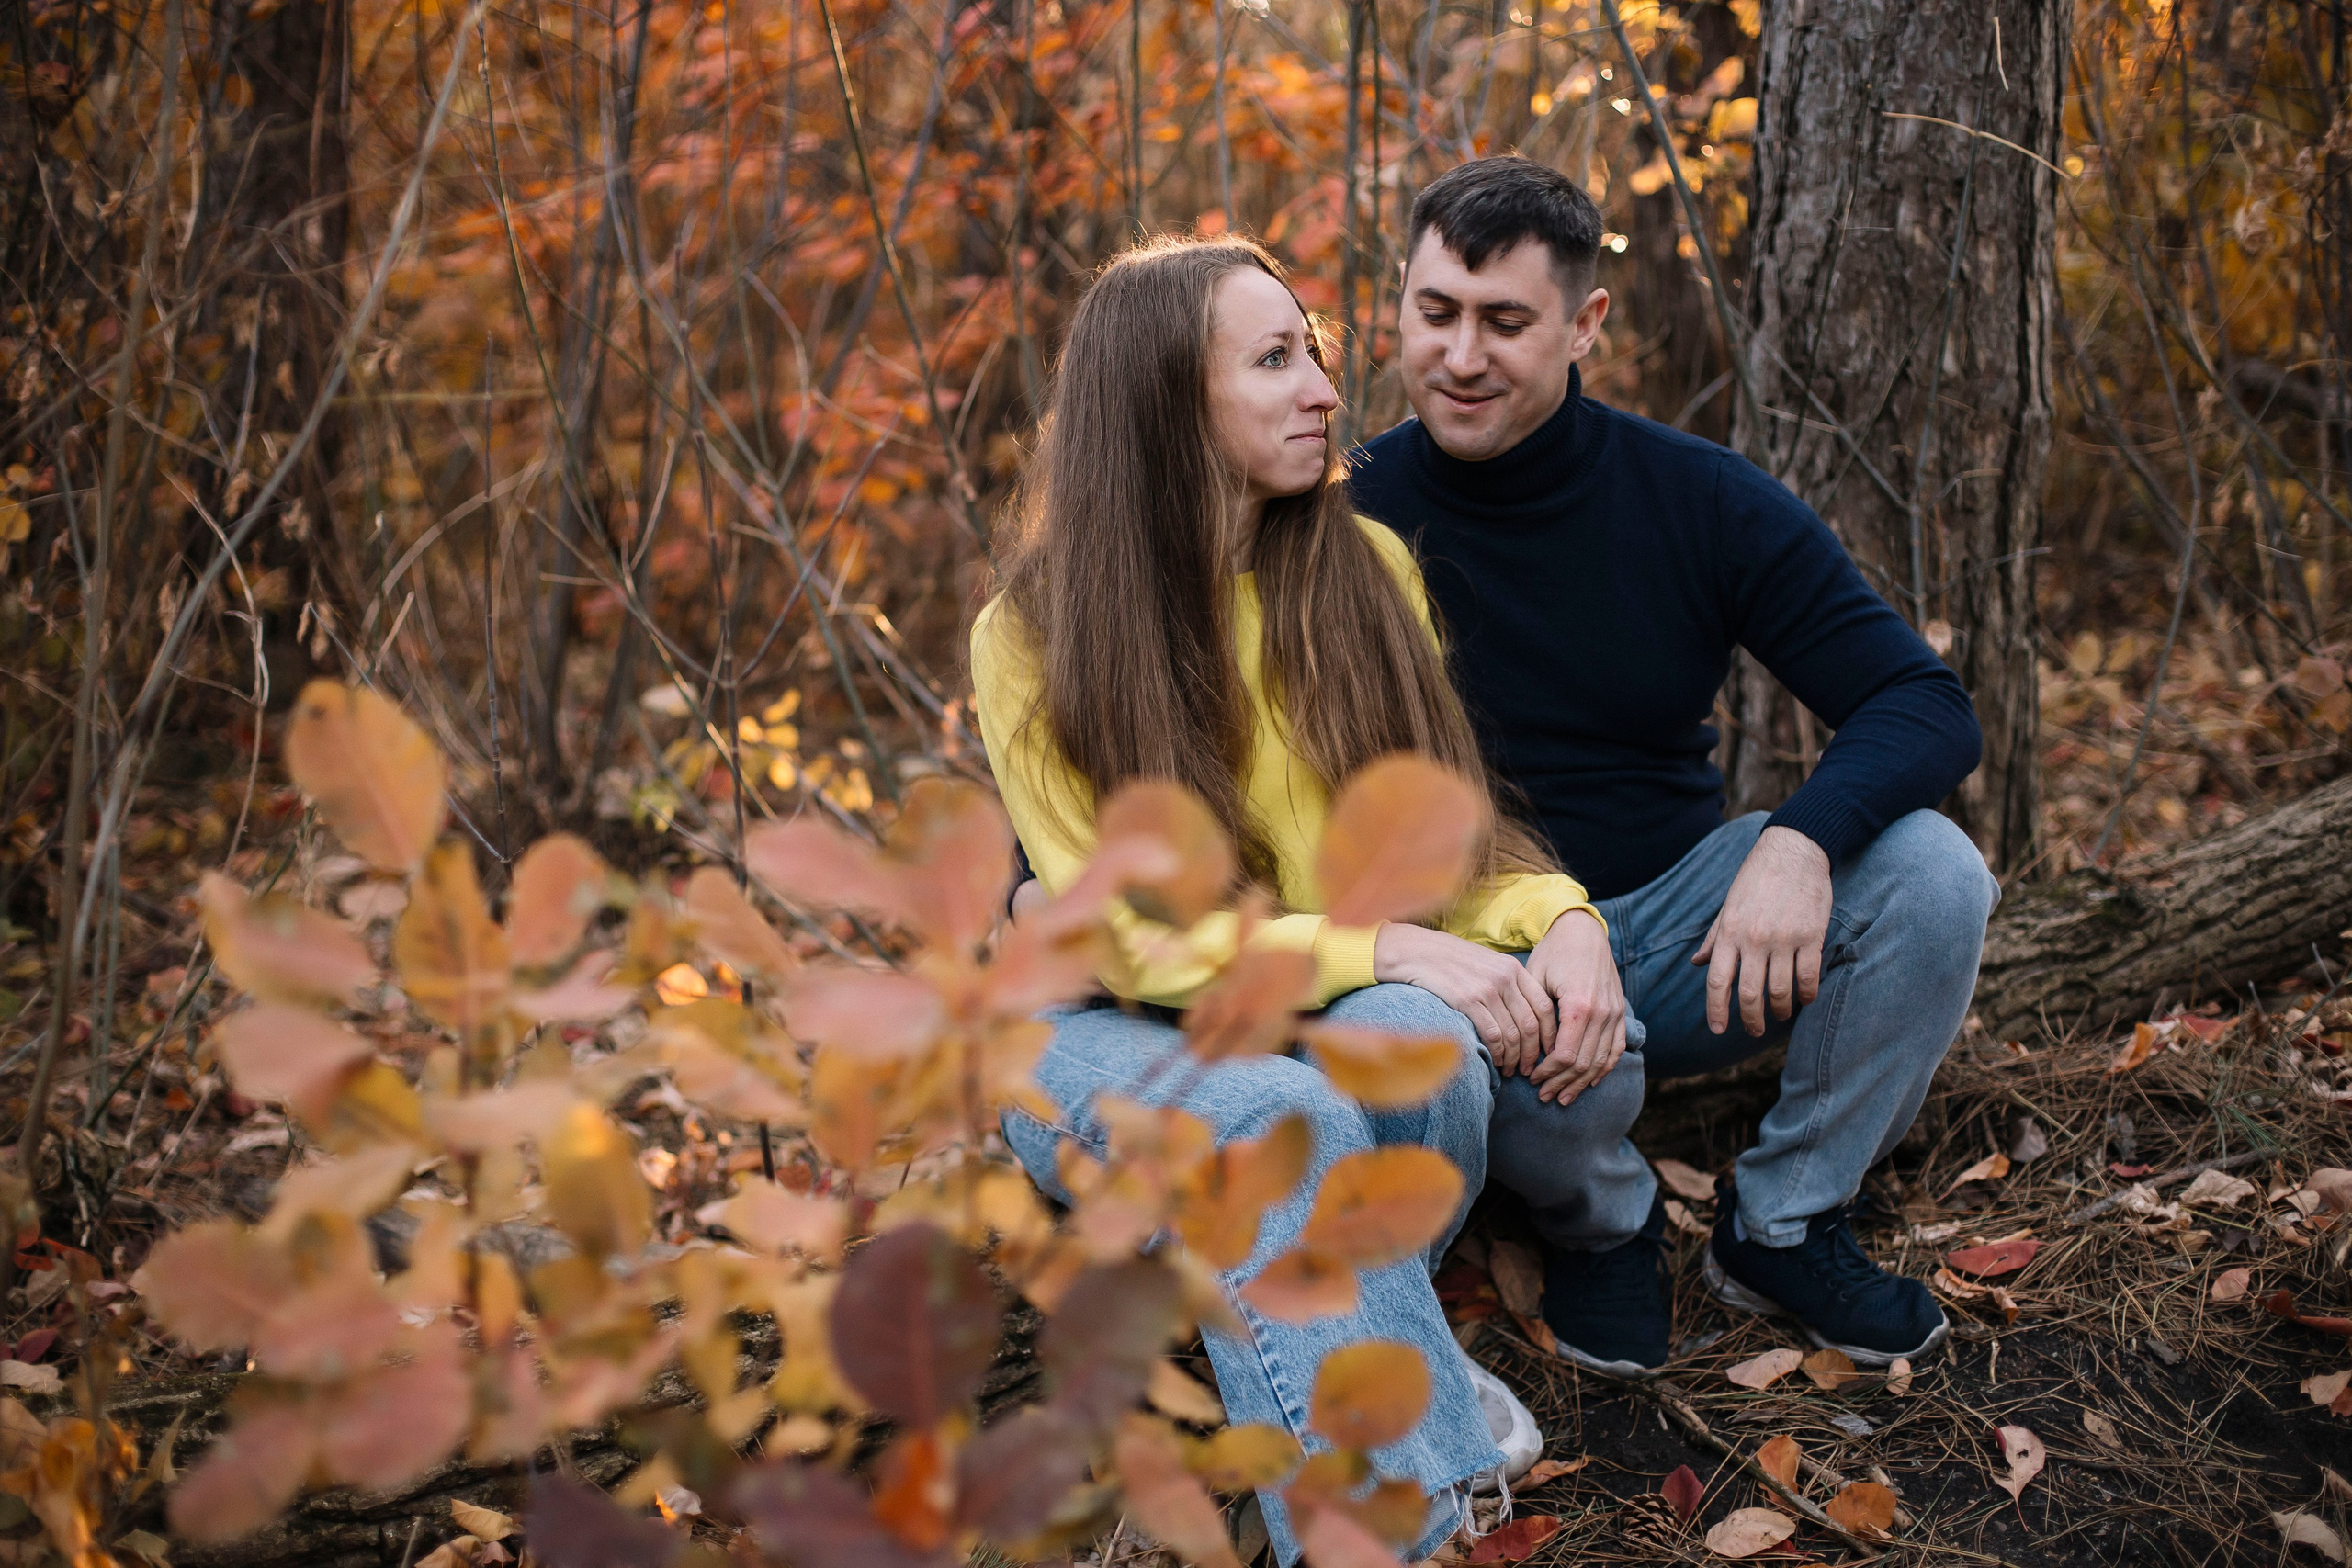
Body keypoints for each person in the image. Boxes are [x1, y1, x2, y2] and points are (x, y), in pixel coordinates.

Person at [969, 235, 1632, 1566]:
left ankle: (1379, 1351)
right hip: (1096, 1043)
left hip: (1302, 1027)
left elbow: (1454, 836)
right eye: (1274, 360)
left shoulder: (1363, 567)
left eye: (1314, 349)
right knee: (1281, 1111)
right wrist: (1376, 943)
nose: (1325, 387)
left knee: (1432, 1045)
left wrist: (1564, 917)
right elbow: (1132, 942)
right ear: (1167, 401)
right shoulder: (1030, 636)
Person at [1343, 155, 2000, 1378]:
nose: (1462, 357)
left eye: (1505, 322)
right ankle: (1605, 1223)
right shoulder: (1341, 518)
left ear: (1585, 324)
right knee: (1486, 1010)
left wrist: (1802, 840)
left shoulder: (1695, 499)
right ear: (1400, 307)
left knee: (1932, 871)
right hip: (1472, 961)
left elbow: (1922, 700)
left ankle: (1785, 1221)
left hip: (1678, 945)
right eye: (1436, 315)